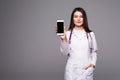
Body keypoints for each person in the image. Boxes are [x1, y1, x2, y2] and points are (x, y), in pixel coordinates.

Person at [57, 7, 98, 80]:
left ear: (84, 19)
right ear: (72, 19)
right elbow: (65, 53)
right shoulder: (68, 34)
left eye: (81, 16)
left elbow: (94, 51)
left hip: (86, 70)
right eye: (76, 16)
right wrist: (64, 39)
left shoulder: (90, 34)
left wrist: (92, 64)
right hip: (71, 71)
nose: (78, 19)